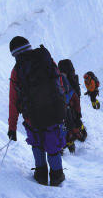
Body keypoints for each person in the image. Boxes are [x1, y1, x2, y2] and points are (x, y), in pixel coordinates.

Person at [8, 36, 66, 186]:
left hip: (32, 117)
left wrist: (12, 128)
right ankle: (57, 176)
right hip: (54, 113)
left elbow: (13, 101)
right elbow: (60, 85)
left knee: (37, 143)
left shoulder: (17, 71)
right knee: (53, 145)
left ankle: (41, 175)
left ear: (14, 54)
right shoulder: (47, 60)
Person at [59, 67, 85, 153]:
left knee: (68, 125)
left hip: (68, 108)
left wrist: (77, 113)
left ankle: (68, 141)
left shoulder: (64, 82)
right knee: (67, 125)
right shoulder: (68, 83)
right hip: (68, 108)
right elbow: (76, 98)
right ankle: (68, 142)